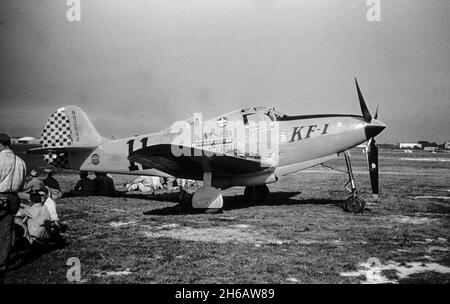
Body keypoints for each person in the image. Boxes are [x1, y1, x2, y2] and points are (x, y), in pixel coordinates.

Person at [0, 133, 26, 283]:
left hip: (0, 194)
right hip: (14, 198)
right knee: (6, 230)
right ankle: (2, 263)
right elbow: (21, 184)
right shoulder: (21, 161)